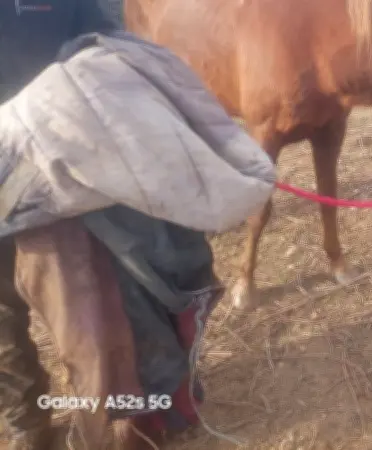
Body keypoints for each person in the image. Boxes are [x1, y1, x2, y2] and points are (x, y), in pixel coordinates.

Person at [1, 2, 275, 449]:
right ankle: (25, 423)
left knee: (100, 308)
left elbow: (103, 31)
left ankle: (140, 410)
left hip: (69, 152)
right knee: (3, 313)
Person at [1, 3, 122, 448]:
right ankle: (25, 424)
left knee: (76, 312)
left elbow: (107, 39)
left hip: (50, 168)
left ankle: (106, 421)